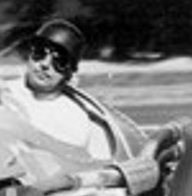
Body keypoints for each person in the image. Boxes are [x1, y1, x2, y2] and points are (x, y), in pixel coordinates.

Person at [6, 19, 112, 160]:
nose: (45, 64)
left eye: (59, 61)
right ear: (30, 53)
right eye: (40, 52)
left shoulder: (75, 118)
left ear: (69, 72)